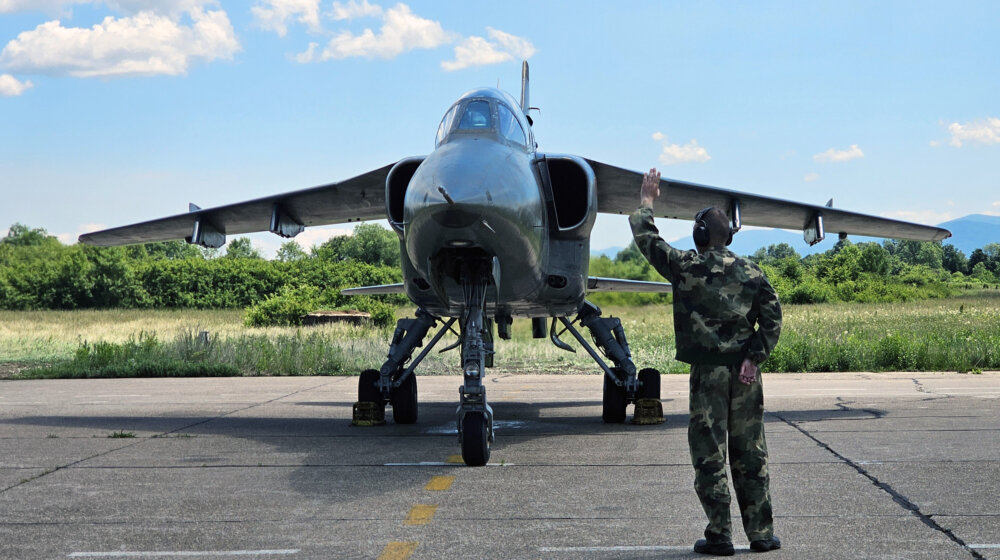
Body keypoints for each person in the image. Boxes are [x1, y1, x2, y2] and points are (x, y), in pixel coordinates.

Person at [629, 168, 783, 556]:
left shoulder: (686, 266)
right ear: (728, 235)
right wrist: (753, 358)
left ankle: (720, 534)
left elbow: (648, 240)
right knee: (750, 451)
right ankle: (761, 534)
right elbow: (773, 318)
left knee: (709, 451)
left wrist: (648, 201)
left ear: (700, 234)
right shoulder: (752, 271)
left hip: (708, 375)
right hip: (746, 376)